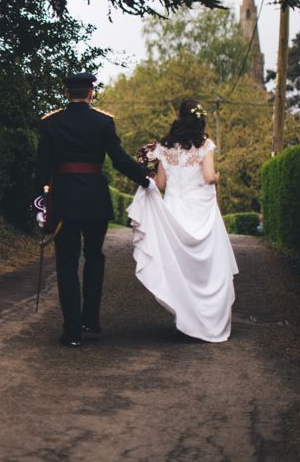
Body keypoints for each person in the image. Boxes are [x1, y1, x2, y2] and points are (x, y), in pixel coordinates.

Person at [35, 72, 151, 347]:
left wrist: (39, 208)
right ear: (90, 93)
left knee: (66, 262)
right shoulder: (103, 122)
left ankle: (72, 331)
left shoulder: (51, 123)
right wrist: (145, 178)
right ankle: (91, 320)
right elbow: (120, 160)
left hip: (64, 201)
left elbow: (41, 169)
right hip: (95, 200)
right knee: (94, 259)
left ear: (66, 94)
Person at [127, 99, 239, 342]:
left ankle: (186, 319)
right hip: (201, 210)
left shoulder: (164, 147)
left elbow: (161, 185)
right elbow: (208, 176)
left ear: (179, 117)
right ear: (200, 119)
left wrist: (146, 172)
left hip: (175, 210)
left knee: (181, 269)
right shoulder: (205, 145)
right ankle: (208, 321)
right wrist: (218, 177)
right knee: (209, 268)